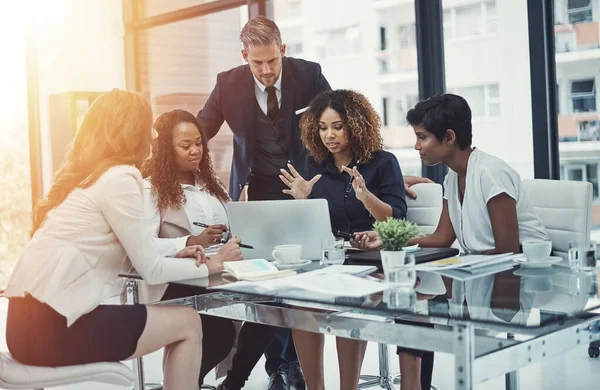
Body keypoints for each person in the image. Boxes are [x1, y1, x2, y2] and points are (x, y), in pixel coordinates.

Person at [3, 89, 236, 390]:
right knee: (188, 322)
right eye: (148, 124)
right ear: (131, 130)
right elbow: (150, 268)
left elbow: (139, 245)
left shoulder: (93, 177)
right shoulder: (120, 178)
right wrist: (214, 266)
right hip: (51, 330)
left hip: (27, 327)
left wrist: (183, 247)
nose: (154, 133)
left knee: (184, 320)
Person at [353, 93, 550, 390]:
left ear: (448, 137)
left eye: (422, 137)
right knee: (414, 308)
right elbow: (442, 237)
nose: (417, 146)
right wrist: (388, 237)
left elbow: (508, 249)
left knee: (428, 313)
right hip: (479, 276)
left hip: (516, 282)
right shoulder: (451, 177)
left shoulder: (490, 172)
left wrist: (459, 264)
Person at [197, 15, 333, 390]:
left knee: (295, 280)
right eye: (257, 63)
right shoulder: (228, 84)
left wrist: (379, 171)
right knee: (267, 283)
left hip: (305, 190)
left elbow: (342, 122)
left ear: (283, 50)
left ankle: (281, 367)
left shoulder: (309, 75)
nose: (267, 69)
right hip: (255, 194)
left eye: (273, 60)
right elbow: (200, 130)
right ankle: (282, 367)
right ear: (245, 56)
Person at [141, 109, 279, 389]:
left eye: (199, 143)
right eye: (185, 145)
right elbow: (143, 247)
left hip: (223, 272)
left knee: (274, 303)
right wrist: (192, 241)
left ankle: (234, 381)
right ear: (167, 150)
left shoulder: (211, 187)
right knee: (218, 333)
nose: (196, 151)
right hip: (180, 279)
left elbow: (234, 229)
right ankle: (185, 382)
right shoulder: (151, 190)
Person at [279, 89, 407, 390]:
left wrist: (366, 197)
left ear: (355, 124)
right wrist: (303, 201)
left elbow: (397, 220)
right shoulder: (314, 168)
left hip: (372, 262)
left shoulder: (383, 163)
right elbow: (309, 227)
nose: (329, 135)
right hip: (330, 260)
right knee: (301, 302)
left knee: (350, 302)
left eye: (337, 126)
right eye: (323, 128)